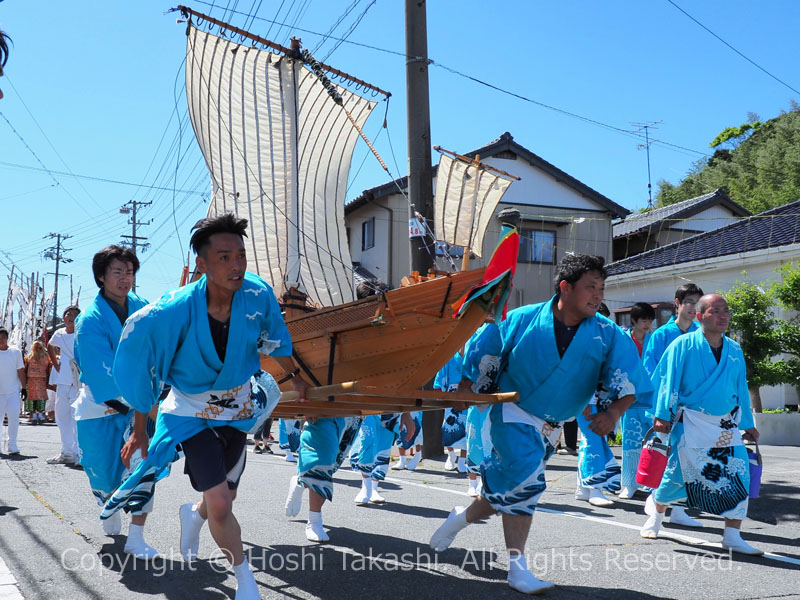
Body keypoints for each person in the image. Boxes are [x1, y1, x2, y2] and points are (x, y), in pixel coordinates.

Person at [103, 213, 306, 599]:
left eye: (241, 256)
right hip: (191, 412)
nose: (236, 266)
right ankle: (244, 577)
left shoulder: (257, 295)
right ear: (202, 263)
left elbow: (275, 340)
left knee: (224, 499)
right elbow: (145, 365)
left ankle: (192, 517)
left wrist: (295, 376)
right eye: (225, 257)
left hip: (238, 408)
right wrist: (142, 428)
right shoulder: (173, 310)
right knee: (220, 501)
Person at [429, 254, 650, 595]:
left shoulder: (607, 334)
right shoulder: (522, 319)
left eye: (601, 289)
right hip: (514, 410)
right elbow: (484, 351)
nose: (598, 296)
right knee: (526, 483)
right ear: (565, 287)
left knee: (509, 487)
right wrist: (466, 385)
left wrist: (613, 413)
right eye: (590, 287)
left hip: (554, 425)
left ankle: (461, 517)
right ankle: (518, 571)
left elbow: (629, 380)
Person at [640, 294, 762, 555]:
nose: (723, 315)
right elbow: (667, 381)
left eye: (726, 311)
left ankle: (732, 535)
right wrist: (662, 414)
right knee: (678, 475)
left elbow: (740, 387)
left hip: (725, 425)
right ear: (699, 316)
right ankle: (657, 513)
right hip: (691, 421)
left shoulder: (734, 349)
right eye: (715, 311)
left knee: (739, 474)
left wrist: (748, 422)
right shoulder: (682, 345)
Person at [72, 245, 161, 558]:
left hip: (141, 403)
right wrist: (142, 403)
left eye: (130, 271)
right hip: (100, 406)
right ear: (101, 276)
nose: (126, 278)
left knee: (143, 467)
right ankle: (109, 502)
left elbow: (159, 345)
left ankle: (137, 537)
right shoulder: (90, 320)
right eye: (117, 272)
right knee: (106, 475)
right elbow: (100, 372)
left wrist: (149, 405)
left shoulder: (143, 307)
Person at [638, 283, 704, 527]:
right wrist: (659, 410)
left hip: (692, 408)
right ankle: (656, 502)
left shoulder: (700, 333)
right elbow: (650, 371)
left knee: (686, 457)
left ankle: (676, 509)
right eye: (688, 302)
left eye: (697, 303)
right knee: (665, 455)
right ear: (677, 303)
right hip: (666, 406)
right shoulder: (661, 335)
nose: (693, 308)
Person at [618, 302, 655, 498]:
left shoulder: (654, 339)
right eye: (643, 319)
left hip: (649, 398)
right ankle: (629, 484)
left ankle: (650, 484)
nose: (647, 323)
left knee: (652, 443)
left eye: (650, 319)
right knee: (631, 441)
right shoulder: (623, 339)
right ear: (634, 320)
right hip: (628, 398)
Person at [46, 305, 81, 465]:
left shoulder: (82, 333)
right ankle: (66, 452)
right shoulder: (59, 333)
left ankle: (80, 454)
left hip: (78, 380)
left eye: (75, 314)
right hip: (63, 379)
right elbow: (50, 346)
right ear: (63, 317)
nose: (71, 316)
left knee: (77, 416)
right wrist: (55, 362)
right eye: (69, 314)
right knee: (61, 415)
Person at [436, 353, 467, 473]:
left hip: (469, 396)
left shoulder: (471, 352)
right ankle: (451, 454)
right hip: (451, 395)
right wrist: (439, 390)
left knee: (466, 429)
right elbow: (441, 373)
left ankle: (462, 460)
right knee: (447, 427)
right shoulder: (451, 357)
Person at [0, 326, 25, 454]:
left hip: (13, 392)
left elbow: (20, 370)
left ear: (7, 338)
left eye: (3, 337)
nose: (1, 339)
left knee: (14, 418)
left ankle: (12, 445)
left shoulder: (15, 352)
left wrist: (24, 388)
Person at [25, 340, 51, 424]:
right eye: (36, 347)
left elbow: (49, 367)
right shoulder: (29, 356)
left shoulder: (46, 356)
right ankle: (32, 414)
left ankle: (40, 414)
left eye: (39, 347)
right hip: (31, 379)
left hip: (41, 379)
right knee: (31, 397)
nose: (38, 348)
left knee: (41, 397)